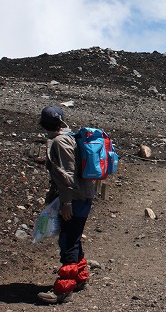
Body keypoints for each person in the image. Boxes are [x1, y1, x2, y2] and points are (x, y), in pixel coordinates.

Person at [37, 106, 96, 304]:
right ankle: (79, 278)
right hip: (84, 195)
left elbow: (66, 176)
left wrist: (67, 202)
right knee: (74, 237)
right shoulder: (70, 136)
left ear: (44, 123)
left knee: (68, 240)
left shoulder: (60, 142)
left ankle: (63, 289)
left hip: (75, 198)